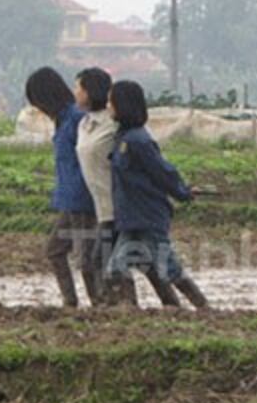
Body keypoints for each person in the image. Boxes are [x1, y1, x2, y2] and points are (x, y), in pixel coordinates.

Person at [106, 80, 208, 309]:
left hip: (147, 216)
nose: (108, 106)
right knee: (116, 268)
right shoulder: (122, 138)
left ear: (123, 105)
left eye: (111, 101)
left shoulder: (138, 141)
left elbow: (163, 172)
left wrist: (182, 192)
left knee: (168, 267)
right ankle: (133, 311)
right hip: (130, 217)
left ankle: (203, 308)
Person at [25, 67, 100, 307]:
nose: (37, 108)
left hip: (83, 199)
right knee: (55, 251)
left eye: (37, 101)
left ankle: (101, 304)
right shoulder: (62, 120)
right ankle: (71, 301)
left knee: (85, 259)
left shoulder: (77, 118)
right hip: (69, 200)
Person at [74, 67, 138, 305]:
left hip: (117, 206)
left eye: (78, 88)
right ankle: (114, 304)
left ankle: (122, 305)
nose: (75, 93)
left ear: (90, 92)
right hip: (99, 206)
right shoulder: (83, 125)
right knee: (106, 260)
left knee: (102, 260)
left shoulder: (114, 127)